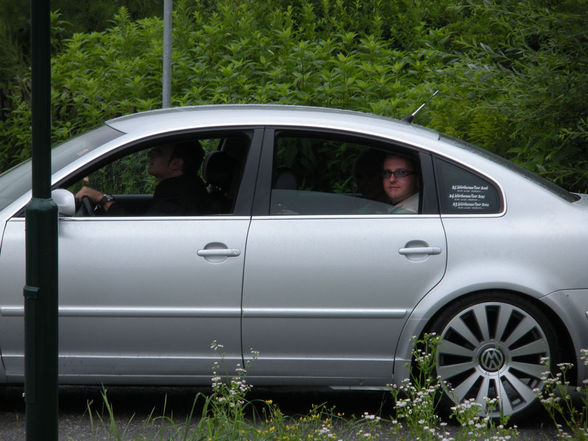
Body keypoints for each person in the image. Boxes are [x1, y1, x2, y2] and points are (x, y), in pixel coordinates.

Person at [76, 140, 210, 216]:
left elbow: (136, 229)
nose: (149, 154)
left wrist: (102, 198)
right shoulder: (180, 190)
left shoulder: (178, 200)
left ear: (176, 164)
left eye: (158, 151)